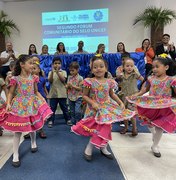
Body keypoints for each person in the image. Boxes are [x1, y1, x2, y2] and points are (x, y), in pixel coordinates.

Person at [71, 56, 136, 161]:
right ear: (92, 69)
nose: (98, 69)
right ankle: (90, 147)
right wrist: (93, 103)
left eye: (101, 66)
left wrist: (120, 102)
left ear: (106, 68)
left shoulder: (109, 82)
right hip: (94, 109)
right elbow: (84, 95)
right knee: (97, 128)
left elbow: (111, 94)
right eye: (95, 67)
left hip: (107, 108)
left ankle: (103, 147)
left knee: (106, 127)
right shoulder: (89, 81)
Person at [2, 55, 53, 167]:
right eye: (30, 63)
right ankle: (15, 154)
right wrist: (9, 102)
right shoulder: (15, 79)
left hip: (31, 104)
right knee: (18, 130)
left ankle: (33, 142)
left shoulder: (34, 77)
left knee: (32, 125)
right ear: (22, 65)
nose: (32, 65)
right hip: (19, 105)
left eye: (33, 63)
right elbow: (10, 92)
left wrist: (41, 98)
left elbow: (35, 91)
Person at [127, 55, 176, 158]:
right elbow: (144, 90)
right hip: (151, 105)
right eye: (153, 67)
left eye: (157, 66)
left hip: (164, 107)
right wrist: (136, 95)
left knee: (159, 126)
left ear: (166, 67)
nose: (154, 69)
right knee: (149, 123)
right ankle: (154, 135)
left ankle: (155, 145)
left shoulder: (171, 80)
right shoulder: (150, 78)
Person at [117, 58, 144, 136]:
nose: (129, 67)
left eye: (131, 66)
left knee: (132, 113)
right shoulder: (122, 75)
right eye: (127, 66)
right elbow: (117, 78)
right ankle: (125, 127)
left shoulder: (135, 74)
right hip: (124, 96)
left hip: (133, 96)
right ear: (123, 67)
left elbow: (143, 80)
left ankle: (134, 128)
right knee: (124, 113)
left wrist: (140, 91)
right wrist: (119, 75)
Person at [47, 57, 72, 127]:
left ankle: (68, 120)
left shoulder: (63, 72)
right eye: (55, 63)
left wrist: (57, 72)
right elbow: (50, 81)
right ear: (52, 64)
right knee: (52, 109)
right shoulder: (50, 72)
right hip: (53, 94)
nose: (57, 65)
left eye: (59, 63)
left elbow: (63, 80)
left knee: (65, 108)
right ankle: (51, 120)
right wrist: (52, 72)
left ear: (61, 64)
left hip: (62, 94)